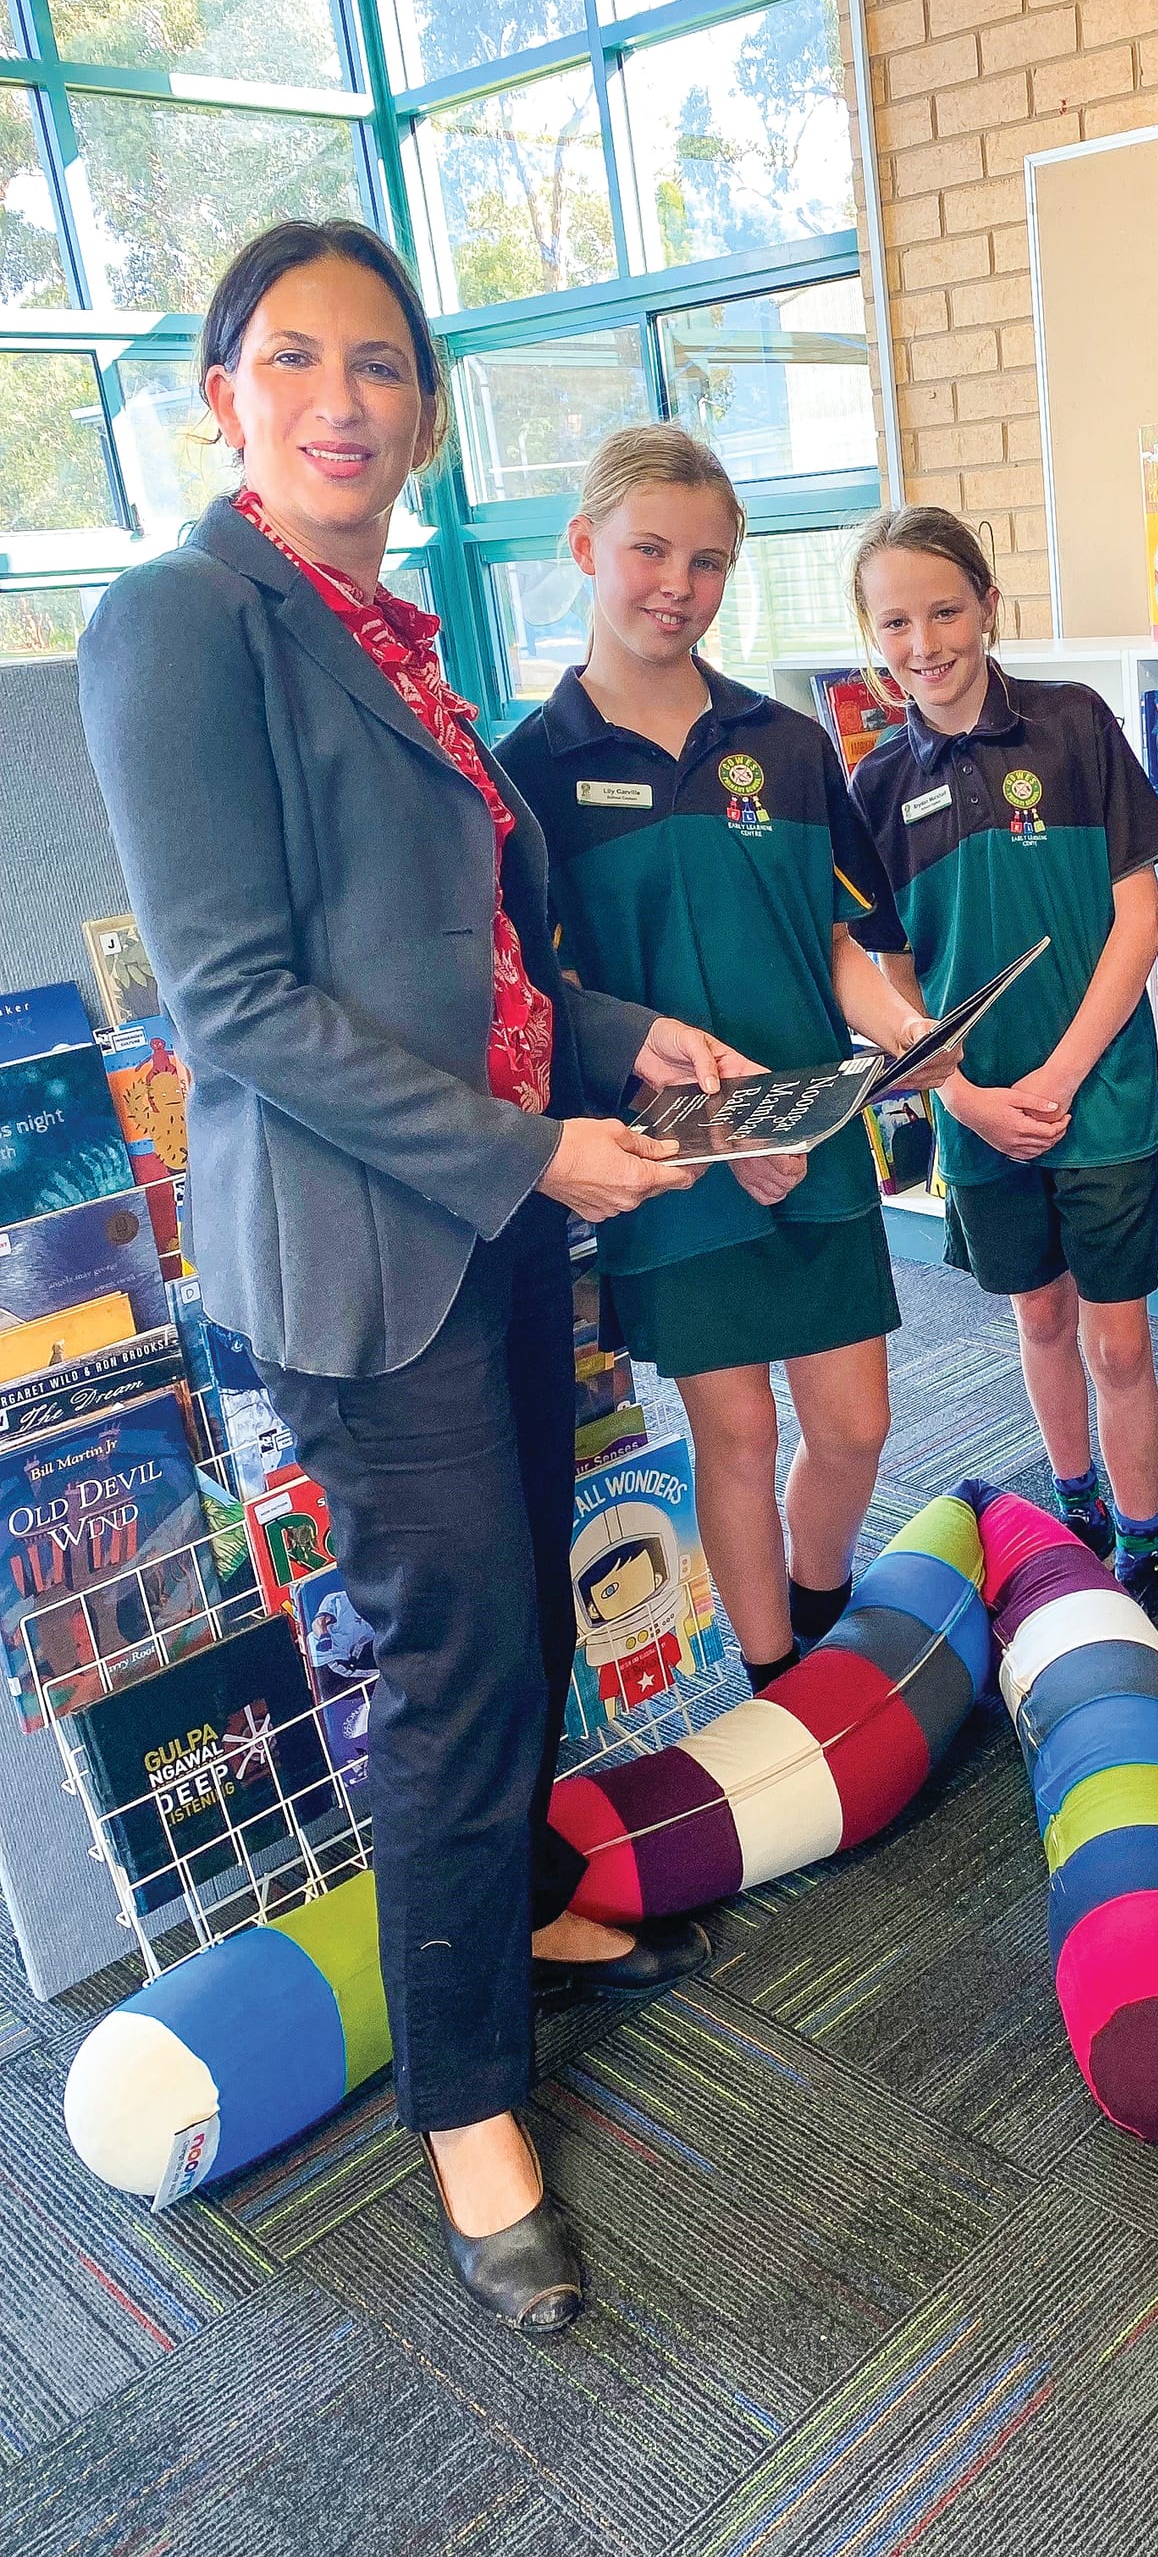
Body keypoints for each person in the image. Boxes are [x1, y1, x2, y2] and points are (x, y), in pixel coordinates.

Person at [77, 220, 763, 2337]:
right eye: (295, 360)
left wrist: (614, 1037)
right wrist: (533, 1143)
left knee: (520, 1597)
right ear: (224, 398)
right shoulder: (183, 620)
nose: (343, 399)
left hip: (491, 1224)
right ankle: (465, 2109)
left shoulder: (389, 636)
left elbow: (471, 968)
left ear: (426, 417)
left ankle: (519, 1898)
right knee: (456, 1659)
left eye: (380, 365)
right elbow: (239, 1003)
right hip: (364, 1254)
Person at [500, 426, 949, 1689]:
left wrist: (901, 1033)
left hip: (815, 1143)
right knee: (738, 1432)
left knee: (855, 1428)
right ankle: (777, 1684)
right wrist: (718, 1131)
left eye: (707, 562)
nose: (677, 586)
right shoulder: (527, 774)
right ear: (583, 546)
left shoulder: (788, 744)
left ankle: (823, 1608)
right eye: (648, 551)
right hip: (674, 1168)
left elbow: (838, 940)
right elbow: (552, 1004)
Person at [845, 506, 1158, 1681]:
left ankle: (1146, 1555)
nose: (923, 643)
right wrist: (959, 1095)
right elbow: (891, 978)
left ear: (988, 608)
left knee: (1118, 1341)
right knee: (1040, 1321)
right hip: (975, 1117)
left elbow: (1135, 920)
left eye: (944, 611)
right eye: (894, 622)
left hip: (1094, 1103)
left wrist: (1056, 1077)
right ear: (870, 636)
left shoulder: (1071, 725)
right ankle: (1075, 1519)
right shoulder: (873, 784)